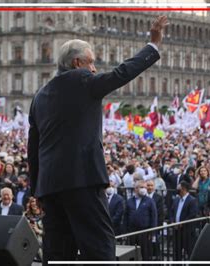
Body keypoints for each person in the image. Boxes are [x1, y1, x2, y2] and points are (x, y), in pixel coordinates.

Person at [27, 15, 168, 263]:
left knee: (58, 251)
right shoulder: (82, 80)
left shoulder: (40, 95)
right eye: (91, 63)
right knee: (99, 247)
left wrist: (36, 188)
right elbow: (121, 73)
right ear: (77, 62)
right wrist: (152, 46)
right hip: (82, 180)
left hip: (50, 187)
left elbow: (34, 148)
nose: (94, 69)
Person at [124, 180, 158, 260]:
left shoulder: (150, 201)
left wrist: (152, 232)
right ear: (136, 189)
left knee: (145, 254)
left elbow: (154, 217)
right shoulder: (129, 201)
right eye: (142, 187)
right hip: (132, 232)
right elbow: (125, 217)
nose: (144, 189)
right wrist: (125, 232)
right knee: (132, 254)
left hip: (144, 232)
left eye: (145, 187)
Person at [170, 181, 199, 260]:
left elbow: (193, 214)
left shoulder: (192, 200)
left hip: (187, 231)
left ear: (183, 189)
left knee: (189, 252)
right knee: (176, 252)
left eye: (178, 187)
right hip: (176, 230)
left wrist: (182, 223)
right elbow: (172, 212)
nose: (177, 189)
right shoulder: (176, 199)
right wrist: (172, 222)